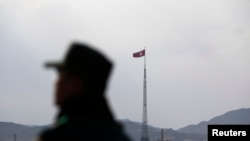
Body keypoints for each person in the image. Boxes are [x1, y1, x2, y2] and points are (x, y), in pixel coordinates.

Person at [37, 42, 131, 141]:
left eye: (61, 76)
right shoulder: (119, 137)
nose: (56, 83)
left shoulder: (55, 137)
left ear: (75, 83)